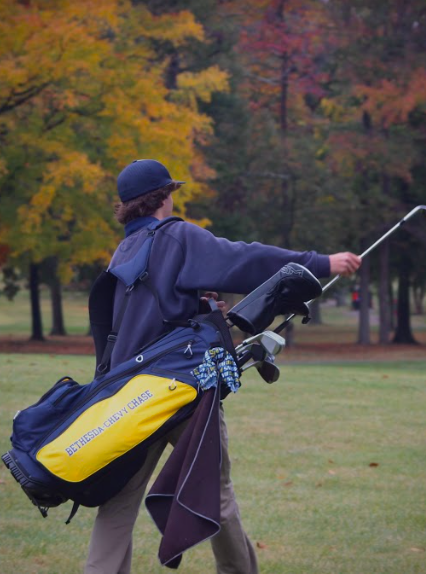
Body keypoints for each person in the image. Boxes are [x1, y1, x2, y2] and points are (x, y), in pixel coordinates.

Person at [84, 159, 361, 574]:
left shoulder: (123, 250)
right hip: (183, 391)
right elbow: (244, 259)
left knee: (118, 500)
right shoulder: (176, 236)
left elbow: (136, 321)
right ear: (163, 197)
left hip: (129, 398)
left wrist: (198, 305)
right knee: (215, 492)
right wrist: (320, 263)